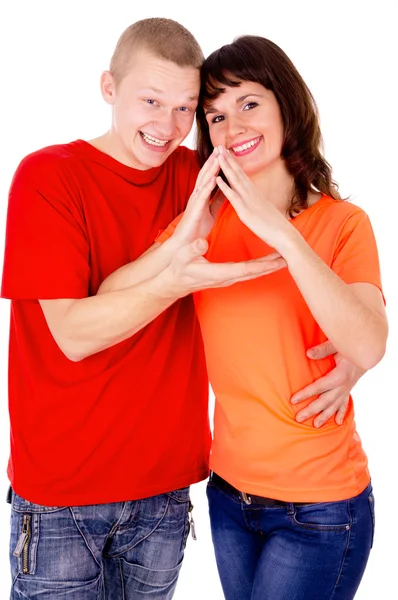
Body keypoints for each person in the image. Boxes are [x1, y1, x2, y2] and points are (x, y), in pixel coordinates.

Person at [1, 18, 365, 600]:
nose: (166, 125)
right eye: (151, 100)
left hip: (166, 493)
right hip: (61, 495)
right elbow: (72, 333)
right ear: (108, 88)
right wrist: (174, 275)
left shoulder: (209, 176)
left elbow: (306, 248)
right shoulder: (48, 176)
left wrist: (355, 358)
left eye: (184, 108)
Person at [155, 36, 387, 599]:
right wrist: (199, 222)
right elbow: (130, 292)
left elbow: (370, 342)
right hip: (230, 496)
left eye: (249, 103)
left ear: (287, 106)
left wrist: (281, 230)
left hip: (321, 508)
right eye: (216, 115)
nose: (233, 127)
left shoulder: (343, 224)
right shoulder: (207, 223)